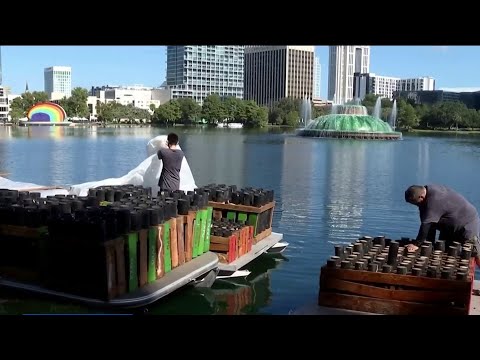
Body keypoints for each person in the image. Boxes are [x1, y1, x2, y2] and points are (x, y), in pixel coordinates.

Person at [404, 184, 480, 266]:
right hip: (449, 226)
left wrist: (416, 244)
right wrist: (430, 244)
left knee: (474, 253)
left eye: (416, 203)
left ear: (421, 197)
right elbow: (429, 224)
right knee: (444, 250)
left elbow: (426, 224)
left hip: (467, 224)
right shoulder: (426, 193)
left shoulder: (435, 200)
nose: (417, 206)